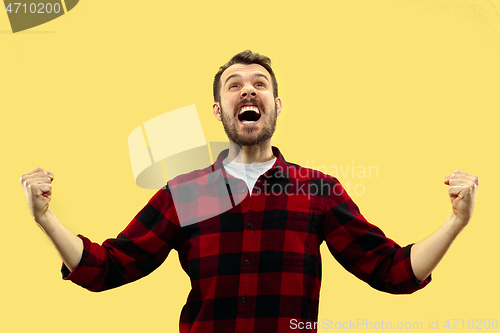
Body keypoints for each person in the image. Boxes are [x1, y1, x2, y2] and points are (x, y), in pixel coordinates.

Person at [20, 50, 479, 333]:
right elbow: (110, 267)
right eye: (234, 85)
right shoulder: (185, 191)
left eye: (260, 84)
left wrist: (456, 222)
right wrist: (45, 218)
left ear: (276, 106)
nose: (248, 91)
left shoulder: (319, 190)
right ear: (219, 109)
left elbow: (391, 271)